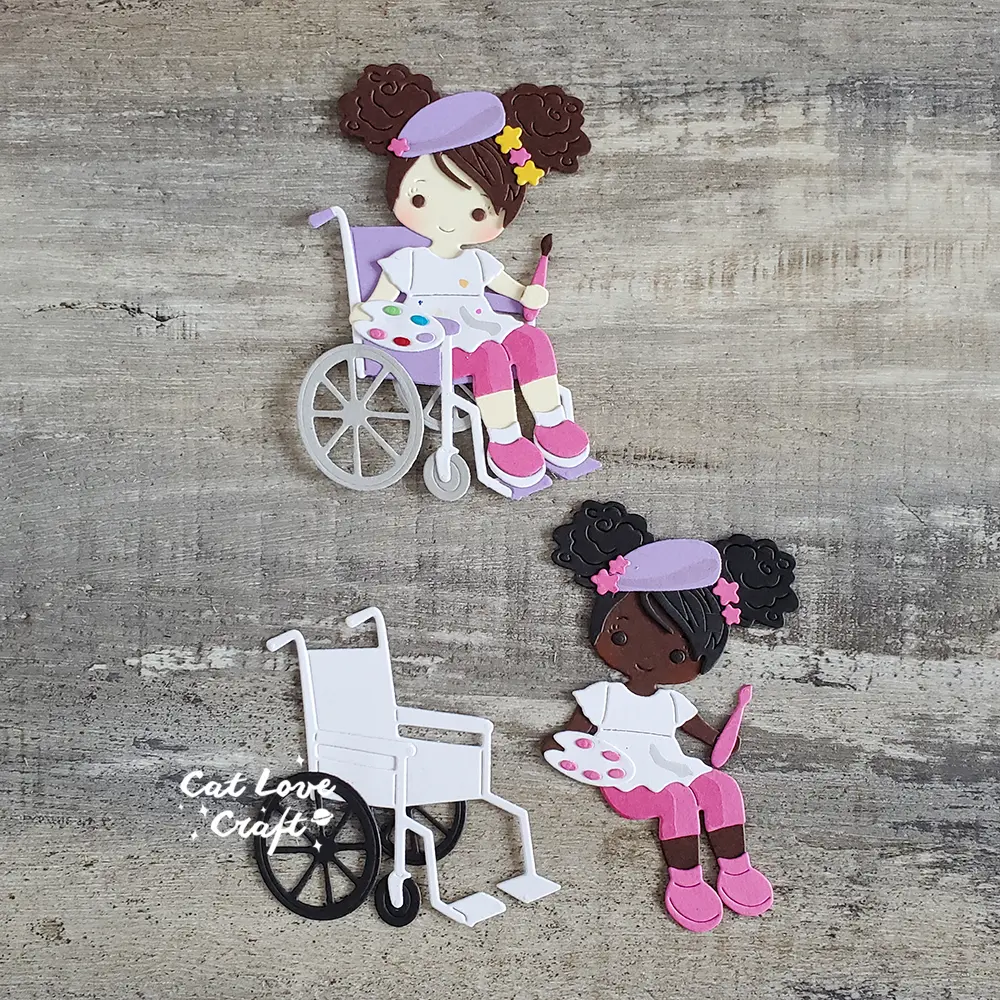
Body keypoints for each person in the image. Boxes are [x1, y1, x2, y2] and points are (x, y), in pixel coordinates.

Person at [544, 500, 799, 931]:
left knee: (721, 786)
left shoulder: (671, 703)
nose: (646, 659)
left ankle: (736, 868)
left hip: (670, 766)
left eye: (677, 655)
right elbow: (568, 739)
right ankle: (686, 880)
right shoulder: (604, 696)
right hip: (626, 780)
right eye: (621, 636)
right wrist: (566, 751)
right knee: (678, 799)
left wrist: (724, 738)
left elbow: (708, 737)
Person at [337, 64, 593, 488]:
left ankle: (552, 423)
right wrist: (366, 314)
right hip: (437, 344)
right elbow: (381, 302)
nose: (448, 221)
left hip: (483, 329)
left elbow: (514, 291)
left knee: (531, 339)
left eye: (476, 212)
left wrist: (530, 296)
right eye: (421, 198)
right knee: (490, 354)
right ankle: (506, 439)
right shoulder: (409, 261)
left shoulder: (476, 262)